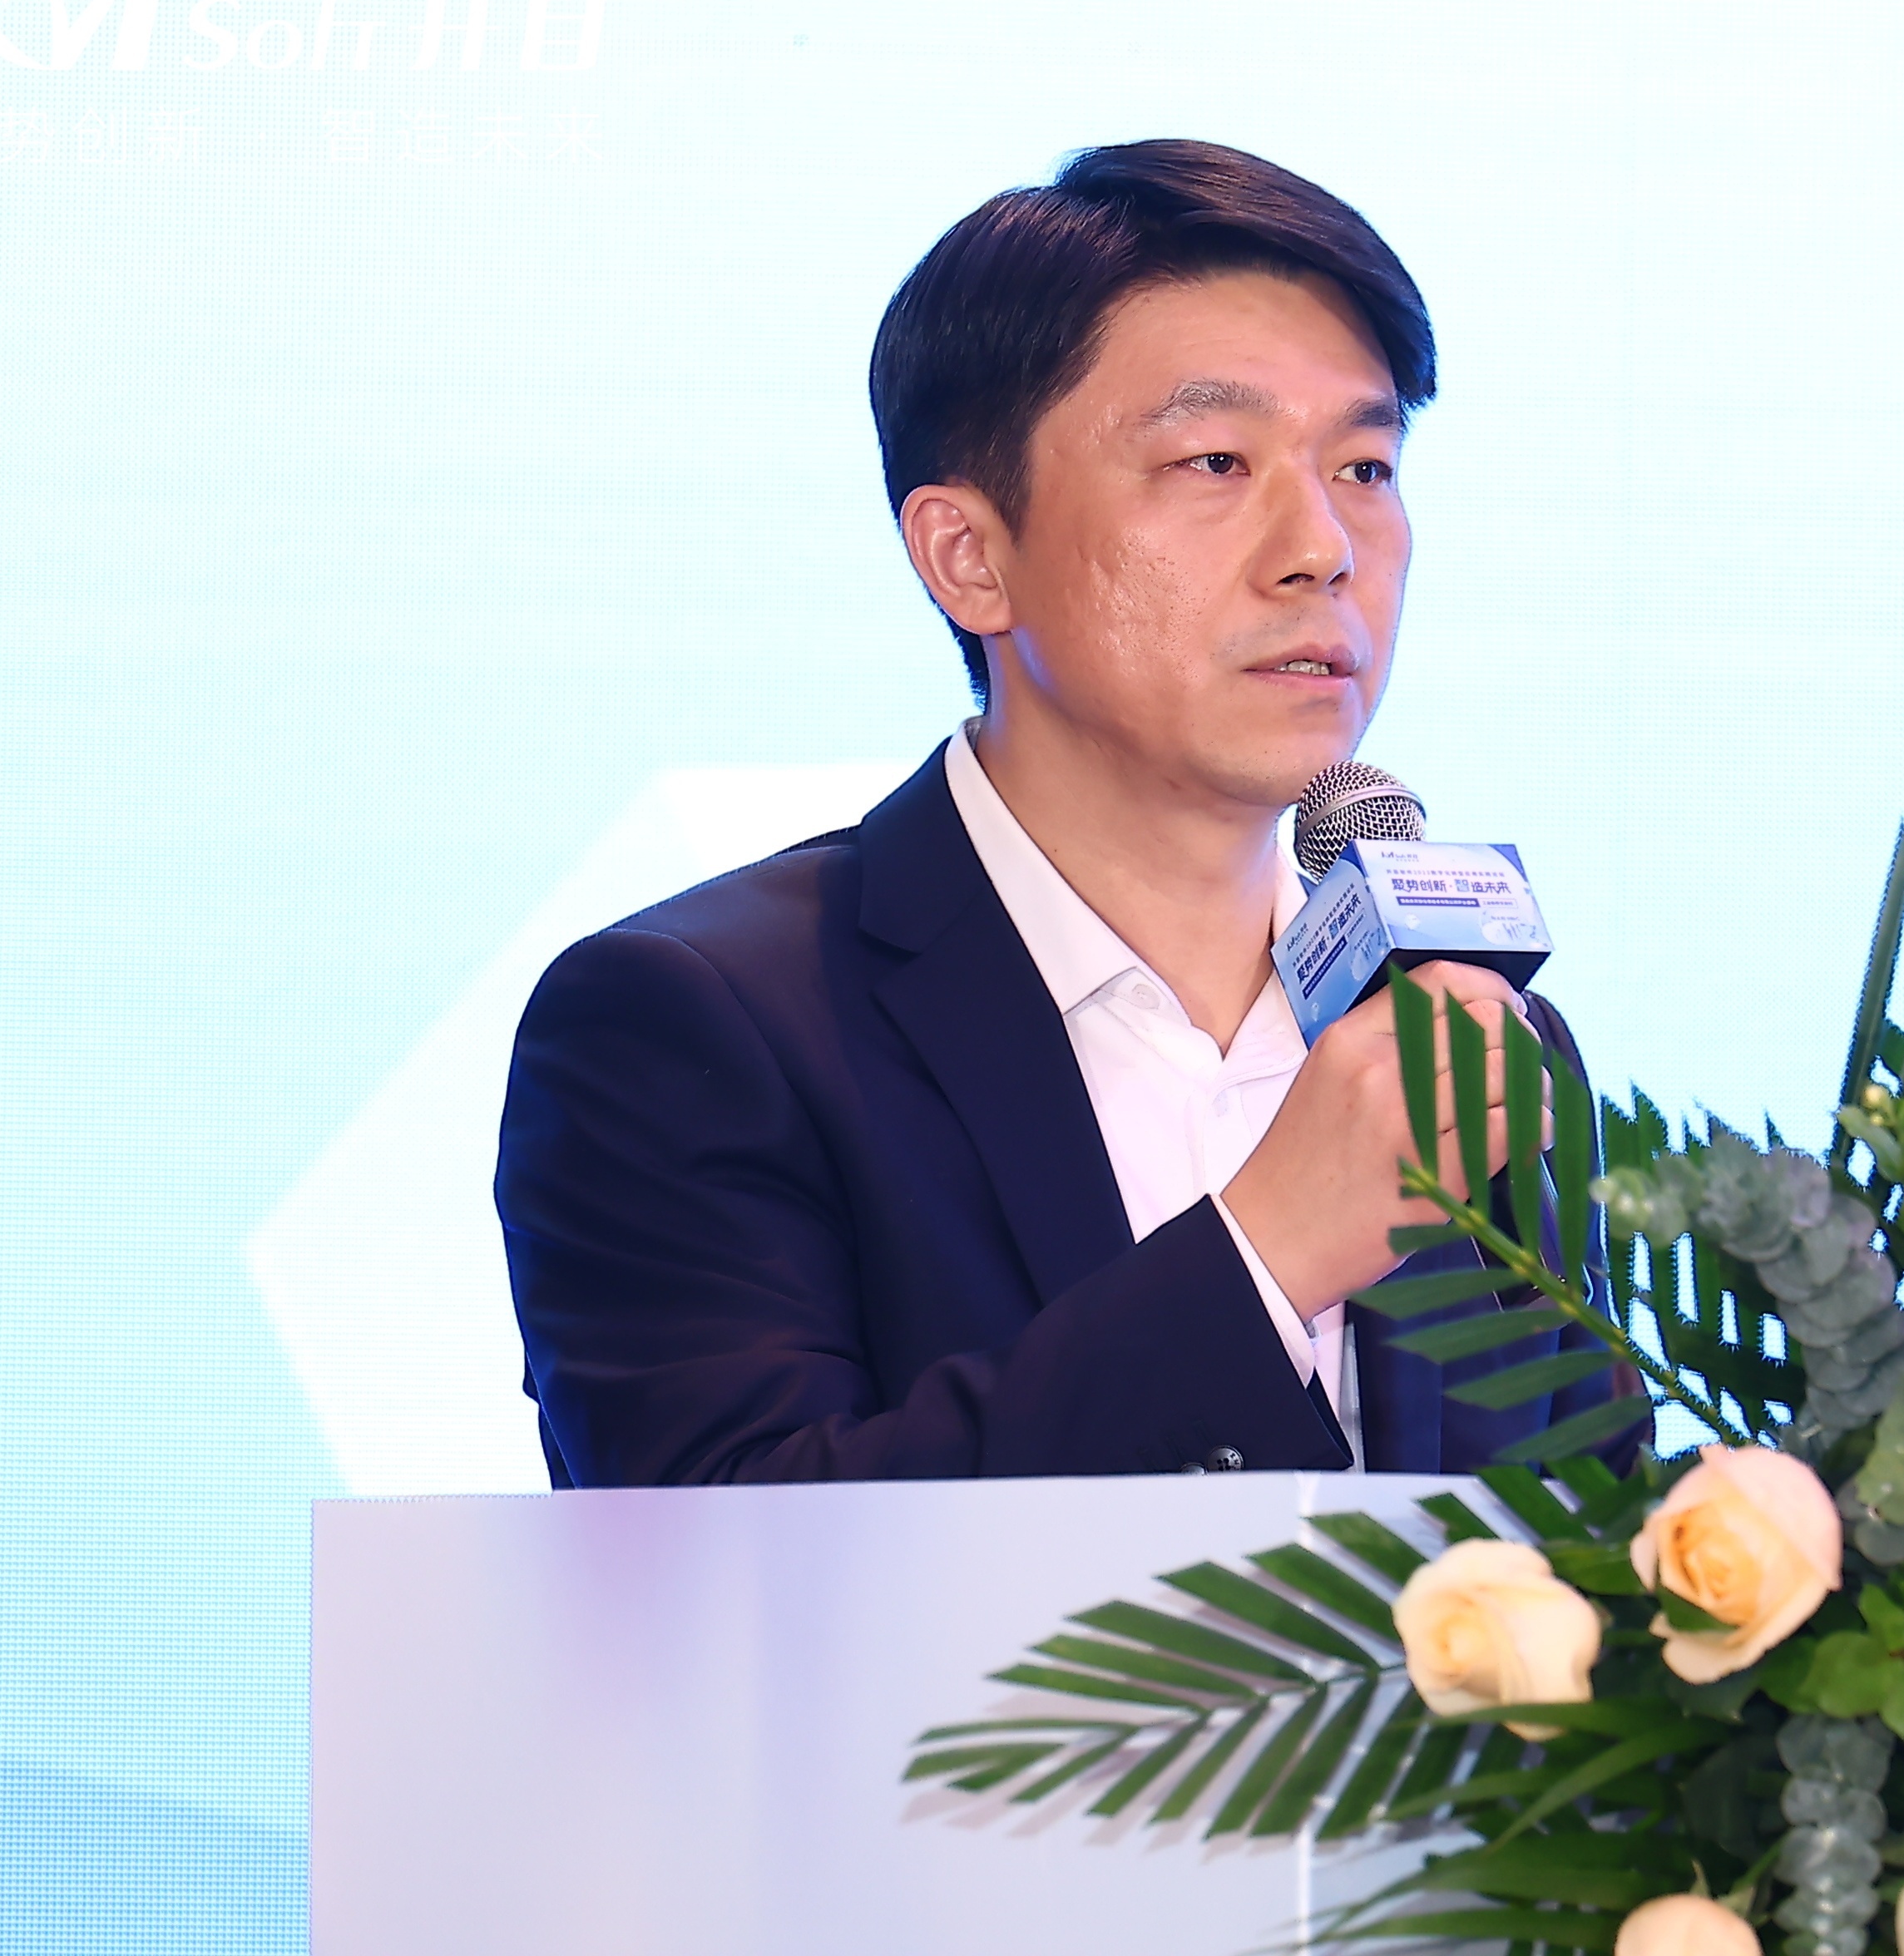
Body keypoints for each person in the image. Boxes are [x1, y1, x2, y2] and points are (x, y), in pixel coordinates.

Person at [497, 139, 1642, 1484]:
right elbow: (718, 1561)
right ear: (970, 556)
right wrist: (1265, 1257)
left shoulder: (1463, 1039)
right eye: (1215, 461)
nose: (1323, 550)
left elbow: (1587, 1558)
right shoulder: (697, 1023)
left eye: (1366, 468)